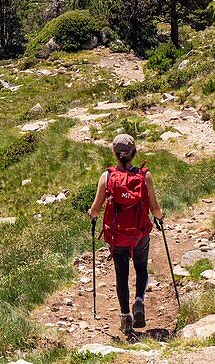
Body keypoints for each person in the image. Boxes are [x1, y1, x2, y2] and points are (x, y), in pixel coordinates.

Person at [89, 132, 163, 336]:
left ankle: (125, 318)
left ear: (115, 153)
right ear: (134, 153)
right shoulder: (144, 176)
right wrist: (160, 216)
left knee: (122, 276)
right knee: (141, 269)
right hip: (139, 233)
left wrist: (92, 215)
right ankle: (139, 302)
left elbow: (96, 209)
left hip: (117, 236)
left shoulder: (107, 176)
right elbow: (155, 208)